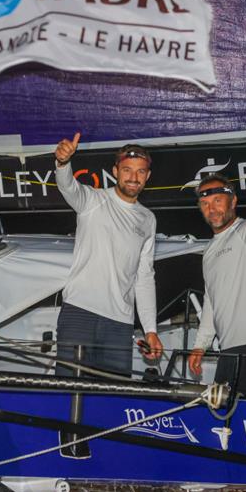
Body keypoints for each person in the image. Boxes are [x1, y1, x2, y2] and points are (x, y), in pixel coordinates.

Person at [53, 132, 163, 377]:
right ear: (115, 171)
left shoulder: (148, 219)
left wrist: (151, 330)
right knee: (68, 392)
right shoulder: (93, 200)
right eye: (127, 170)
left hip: (120, 324)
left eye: (140, 172)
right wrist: (62, 163)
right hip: (80, 313)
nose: (133, 178)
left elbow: (144, 277)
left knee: (112, 398)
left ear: (148, 176)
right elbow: (68, 187)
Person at [187, 170, 246, 396]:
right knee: (223, 413)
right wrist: (201, 345)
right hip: (228, 347)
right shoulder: (209, 251)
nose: (212, 208)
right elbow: (211, 300)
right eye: (205, 203)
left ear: (233, 201)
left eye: (218, 201)